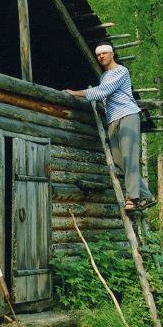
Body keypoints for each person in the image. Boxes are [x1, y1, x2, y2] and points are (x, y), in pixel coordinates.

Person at [63, 44, 155, 211]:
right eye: (98, 55)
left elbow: (103, 91)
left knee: (129, 157)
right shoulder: (104, 75)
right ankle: (146, 196)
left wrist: (76, 93)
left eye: (104, 53)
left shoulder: (121, 71)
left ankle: (133, 198)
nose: (101, 57)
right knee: (119, 161)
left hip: (128, 115)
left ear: (112, 54)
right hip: (113, 119)